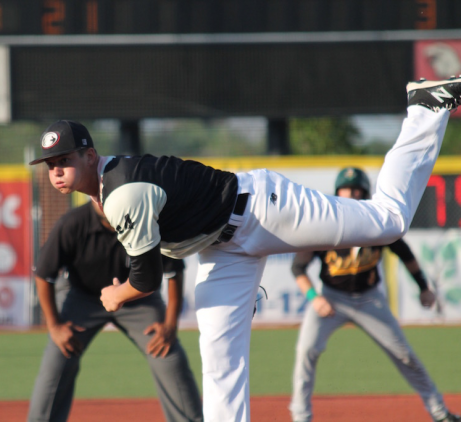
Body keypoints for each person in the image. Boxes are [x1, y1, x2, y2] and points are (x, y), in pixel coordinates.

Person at [28, 77, 461, 421]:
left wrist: (117, 292)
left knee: (387, 222)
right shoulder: (107, 188)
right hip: (224, 249)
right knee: (219, 359)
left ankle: (426, 108)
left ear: (89, 155)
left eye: (64, 159)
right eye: (50, 165)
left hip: (263, 209)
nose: (56, 170)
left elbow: (144, 278)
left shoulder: (121, 192)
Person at [288, 167, 460, 422]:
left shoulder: (376, 223)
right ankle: (301, 417)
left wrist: (423, 287)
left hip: (369, 300)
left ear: (365, 193)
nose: (352, 194)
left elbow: (405, 254)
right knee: (306, 350)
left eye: (357, 189)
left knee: (405, 355)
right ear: (338, 192)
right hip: (331, 297)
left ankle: (439, 412)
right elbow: (298, 268)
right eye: (347, 189)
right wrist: (315, 297)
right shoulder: (324, 226)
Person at [27, 200, 203, 422]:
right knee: (59, 354)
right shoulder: (72, 223)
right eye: (96, 195)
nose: (102, 199)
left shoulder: (144, 222)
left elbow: (173, 273)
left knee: (167, 353)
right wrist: (54, 326)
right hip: (84, 299)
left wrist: (170, 325)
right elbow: (44, 274)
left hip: (137, 301)